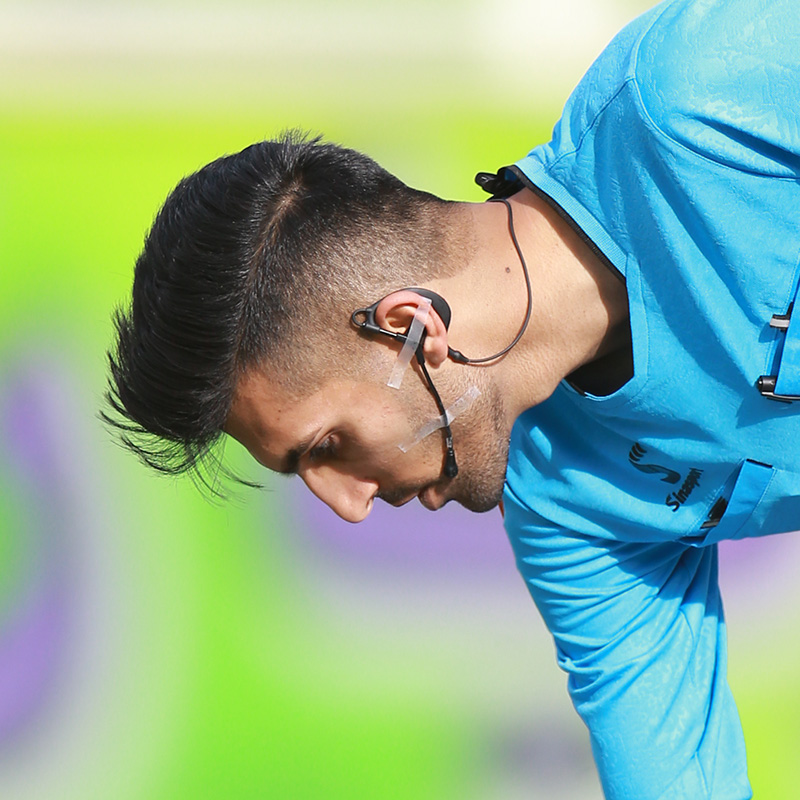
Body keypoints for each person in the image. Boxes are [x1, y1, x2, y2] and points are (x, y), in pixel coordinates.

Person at [104, 0, 800, 796]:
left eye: (326, 447)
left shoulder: (695, 98)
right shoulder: (563, 510)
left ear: (411, 328)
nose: (349, 507)